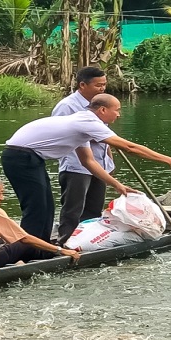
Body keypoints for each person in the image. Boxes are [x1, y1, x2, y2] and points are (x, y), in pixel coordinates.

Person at [1, 93, 171, 243]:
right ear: (102, 110)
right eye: (117, 110)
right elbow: (129, 147)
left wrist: (117, 185)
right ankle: (28, 249)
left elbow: (88, 162)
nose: (119, 114)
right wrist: (169, 160)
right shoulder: (88, 122)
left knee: (46, 207)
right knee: (37, 208)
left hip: (29, 158)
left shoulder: (81, 125)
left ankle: (41, 248)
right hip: (20, 157)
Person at [53, 66, 113, 244]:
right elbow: (58, 134)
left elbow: (105, 136)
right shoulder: (67, 106)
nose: (102, 89)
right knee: (73, 208)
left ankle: (88, 241)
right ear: (82, 85)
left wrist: (109, 160)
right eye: (98, 85)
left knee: (94, 208)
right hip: (76, 165)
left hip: (100, 164)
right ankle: (65, 242)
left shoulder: (100, 105)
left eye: (104, 85)